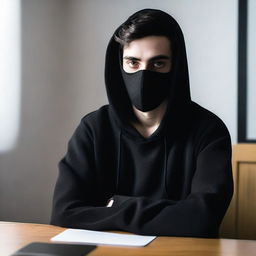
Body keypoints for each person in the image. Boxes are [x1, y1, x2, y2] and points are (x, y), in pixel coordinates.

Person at [50, 9, 233, 238]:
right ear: (120, 65)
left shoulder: (209, 131)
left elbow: (203, 217)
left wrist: (116, 205)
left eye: (157, 64)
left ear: (175, 67)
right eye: (133, 63)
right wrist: (169, 215)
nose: (144, 75)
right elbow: (64, 213)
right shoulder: (94, 129)